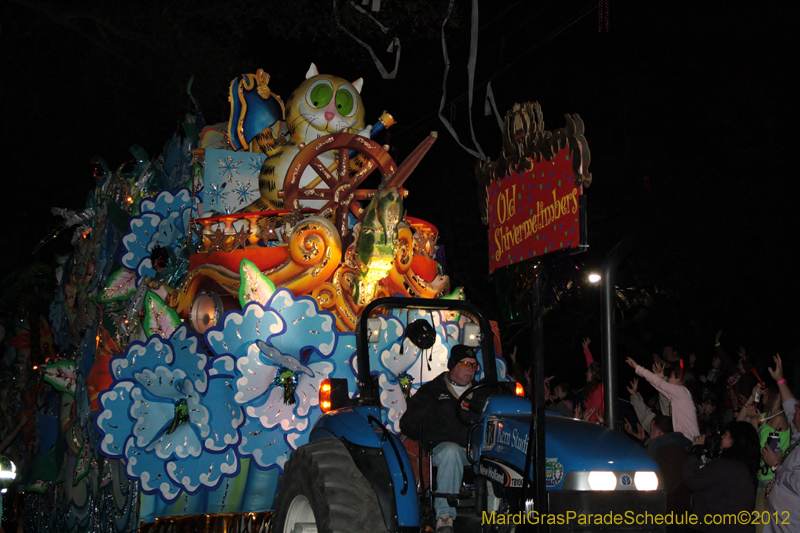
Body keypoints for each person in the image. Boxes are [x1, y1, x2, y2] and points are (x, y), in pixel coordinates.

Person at [400, 345, 480, 533]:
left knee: (498, 454)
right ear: (453, 365)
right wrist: (418, 416)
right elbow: (407, 425)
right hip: (442, 448)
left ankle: (499, 512)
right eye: (466, 363)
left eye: (474, 365)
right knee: (450, 451)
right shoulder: (432, 391)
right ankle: (444, 516)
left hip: (476, 448)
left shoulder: (483, 392)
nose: (470, 369)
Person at [683, 421, 760, 533]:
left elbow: (691, 480)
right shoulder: (744, 466)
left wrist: (695, 453)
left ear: (736, 440)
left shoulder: (725, 466)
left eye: (726, 434)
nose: (722, 437)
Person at [761, 354, 800, 533]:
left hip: (791, 523)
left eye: (799, 409)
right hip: (777, 520)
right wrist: (780, 379)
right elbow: (790, 405)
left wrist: (776, 466)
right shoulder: (797, 436)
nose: (794, 410)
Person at [626, 357, 699, 441]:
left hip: (688, 440)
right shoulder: (681, 396)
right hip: (686, 440)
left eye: (670, 377)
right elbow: (659, 386)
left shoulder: (681, 391)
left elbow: (660, 383)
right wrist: (659, 377)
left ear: (678, 380)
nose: (668, 379)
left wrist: (638, 368)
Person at [581, 337, 603, 423]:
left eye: (588, 372)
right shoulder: (594, 387)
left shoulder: (598, 390)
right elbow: (591, 365)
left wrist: (589, 426)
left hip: (594, 424)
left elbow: (594, 412)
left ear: (593, 374)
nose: (586, 373)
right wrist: (586, 349)